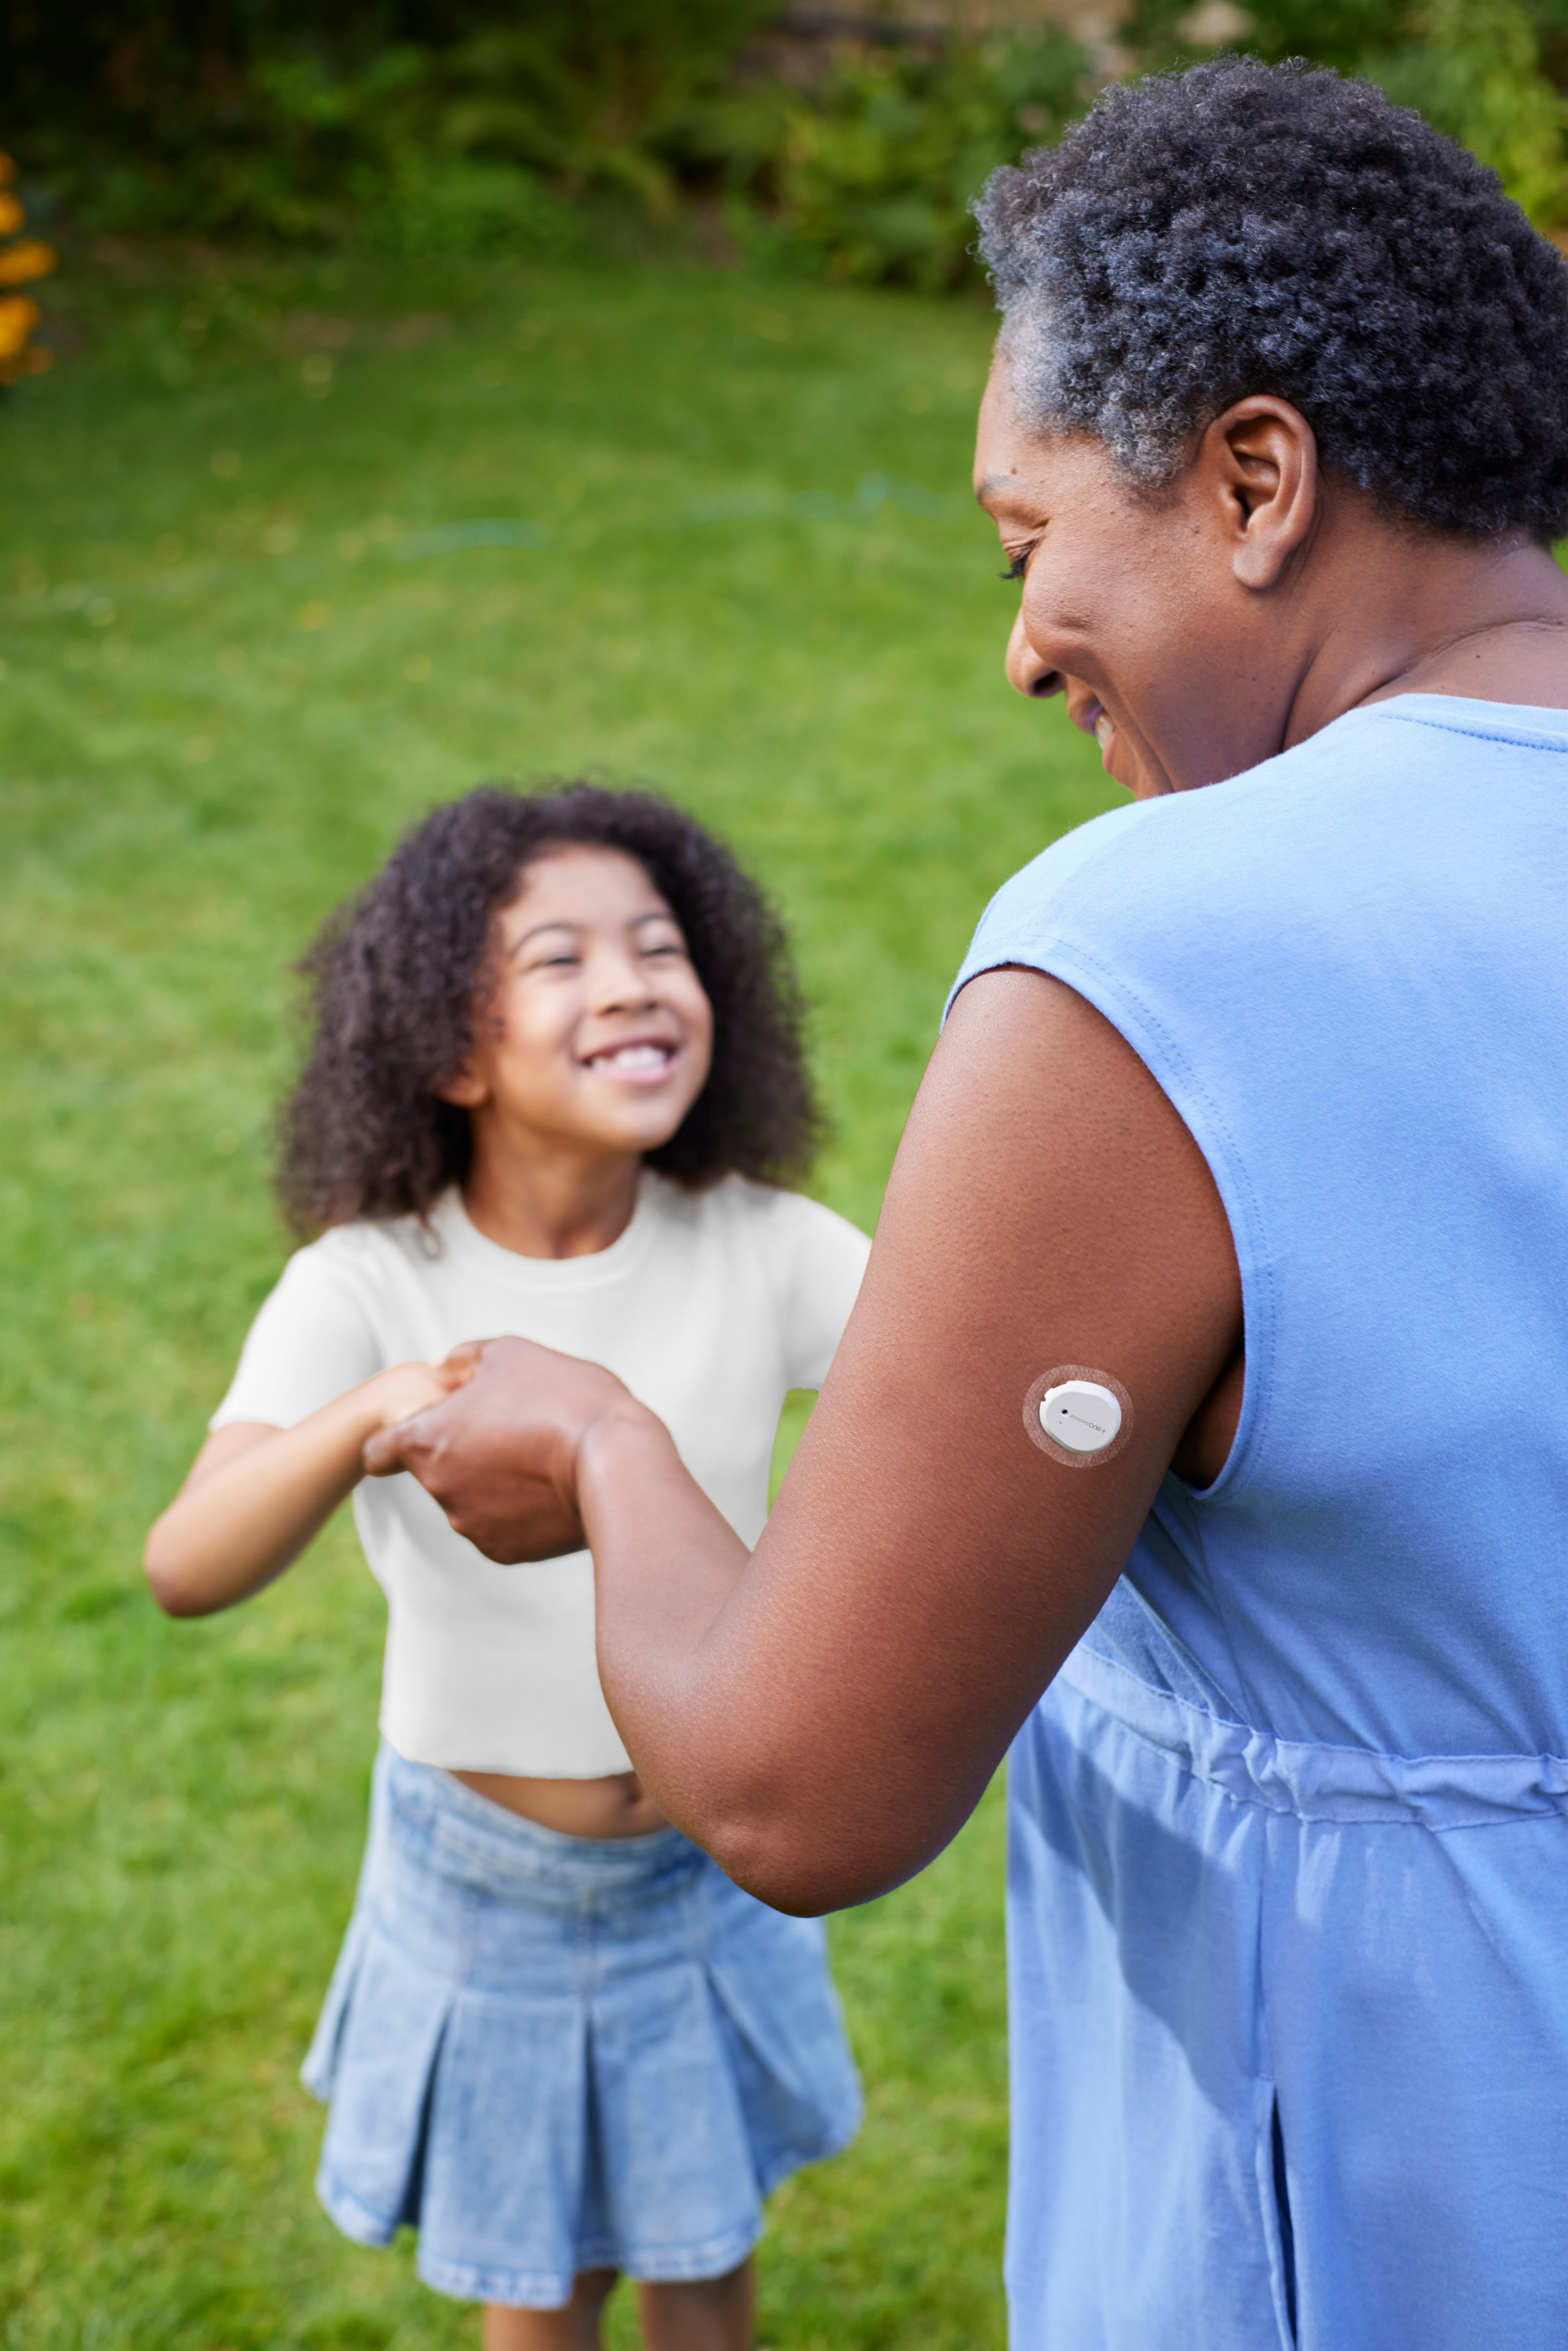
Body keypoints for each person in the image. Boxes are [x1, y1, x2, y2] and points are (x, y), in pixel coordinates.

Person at [363, 61, 1568, 2351]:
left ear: (1251, 478)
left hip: (1390, 2201)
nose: (1017, 648)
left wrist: (611, 1453)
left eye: (1028, 547)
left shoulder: (1164, 957)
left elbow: (802, 1779)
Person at [143, 783, 867, 2351]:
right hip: (486, 1887)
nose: (628, 981)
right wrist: (375, 1411)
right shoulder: (368, 1285)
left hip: (704, 1856)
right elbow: (186, 1566)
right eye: (561, 959)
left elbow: (947, 1394)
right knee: (536, 2287)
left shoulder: (763, 1244)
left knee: (705, 2253)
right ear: (453, 1050)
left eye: (660, 947)